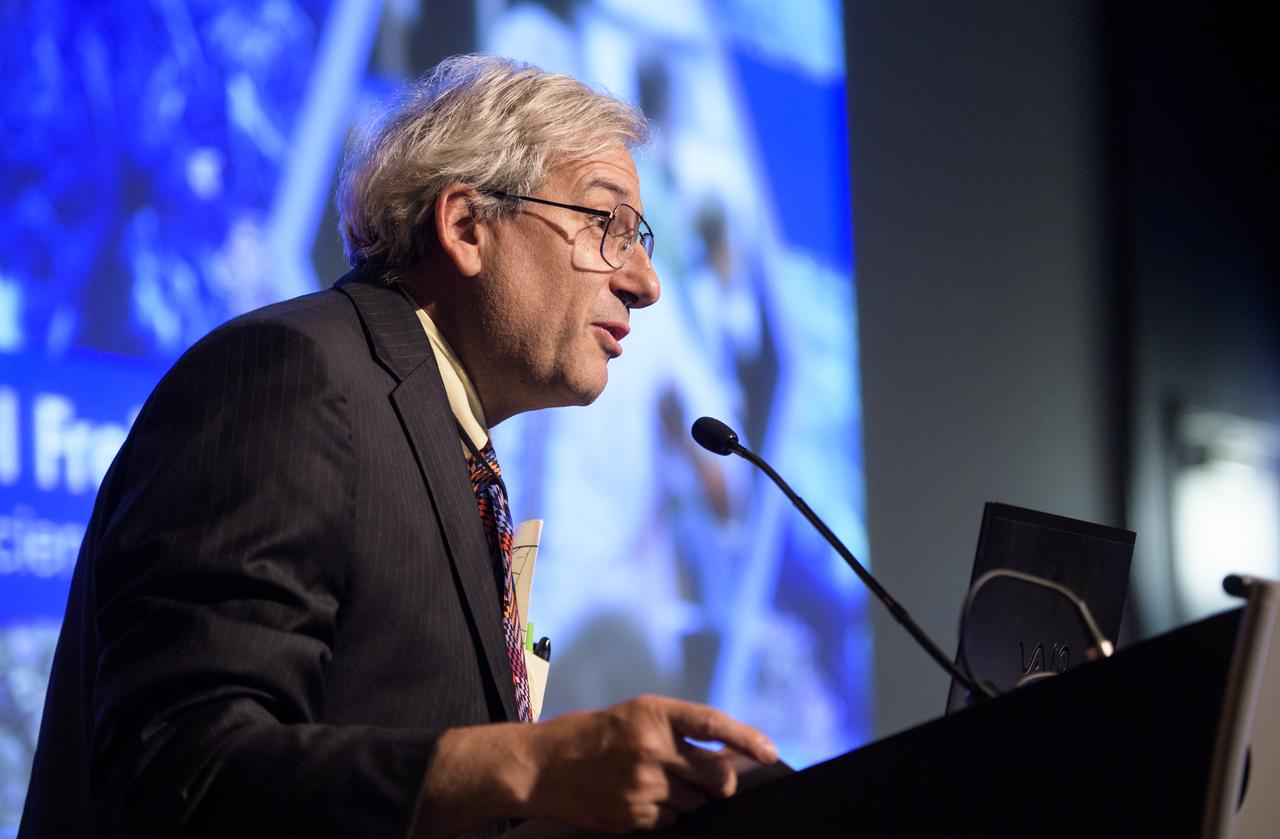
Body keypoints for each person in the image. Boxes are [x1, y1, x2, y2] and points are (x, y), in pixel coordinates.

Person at [18, 55, 776, 839]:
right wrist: (535, 765)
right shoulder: (290, 377)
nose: (646, 282)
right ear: (465, 226)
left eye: (640, 237)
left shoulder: (450, 447)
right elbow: (183, 770)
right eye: (605, 225)